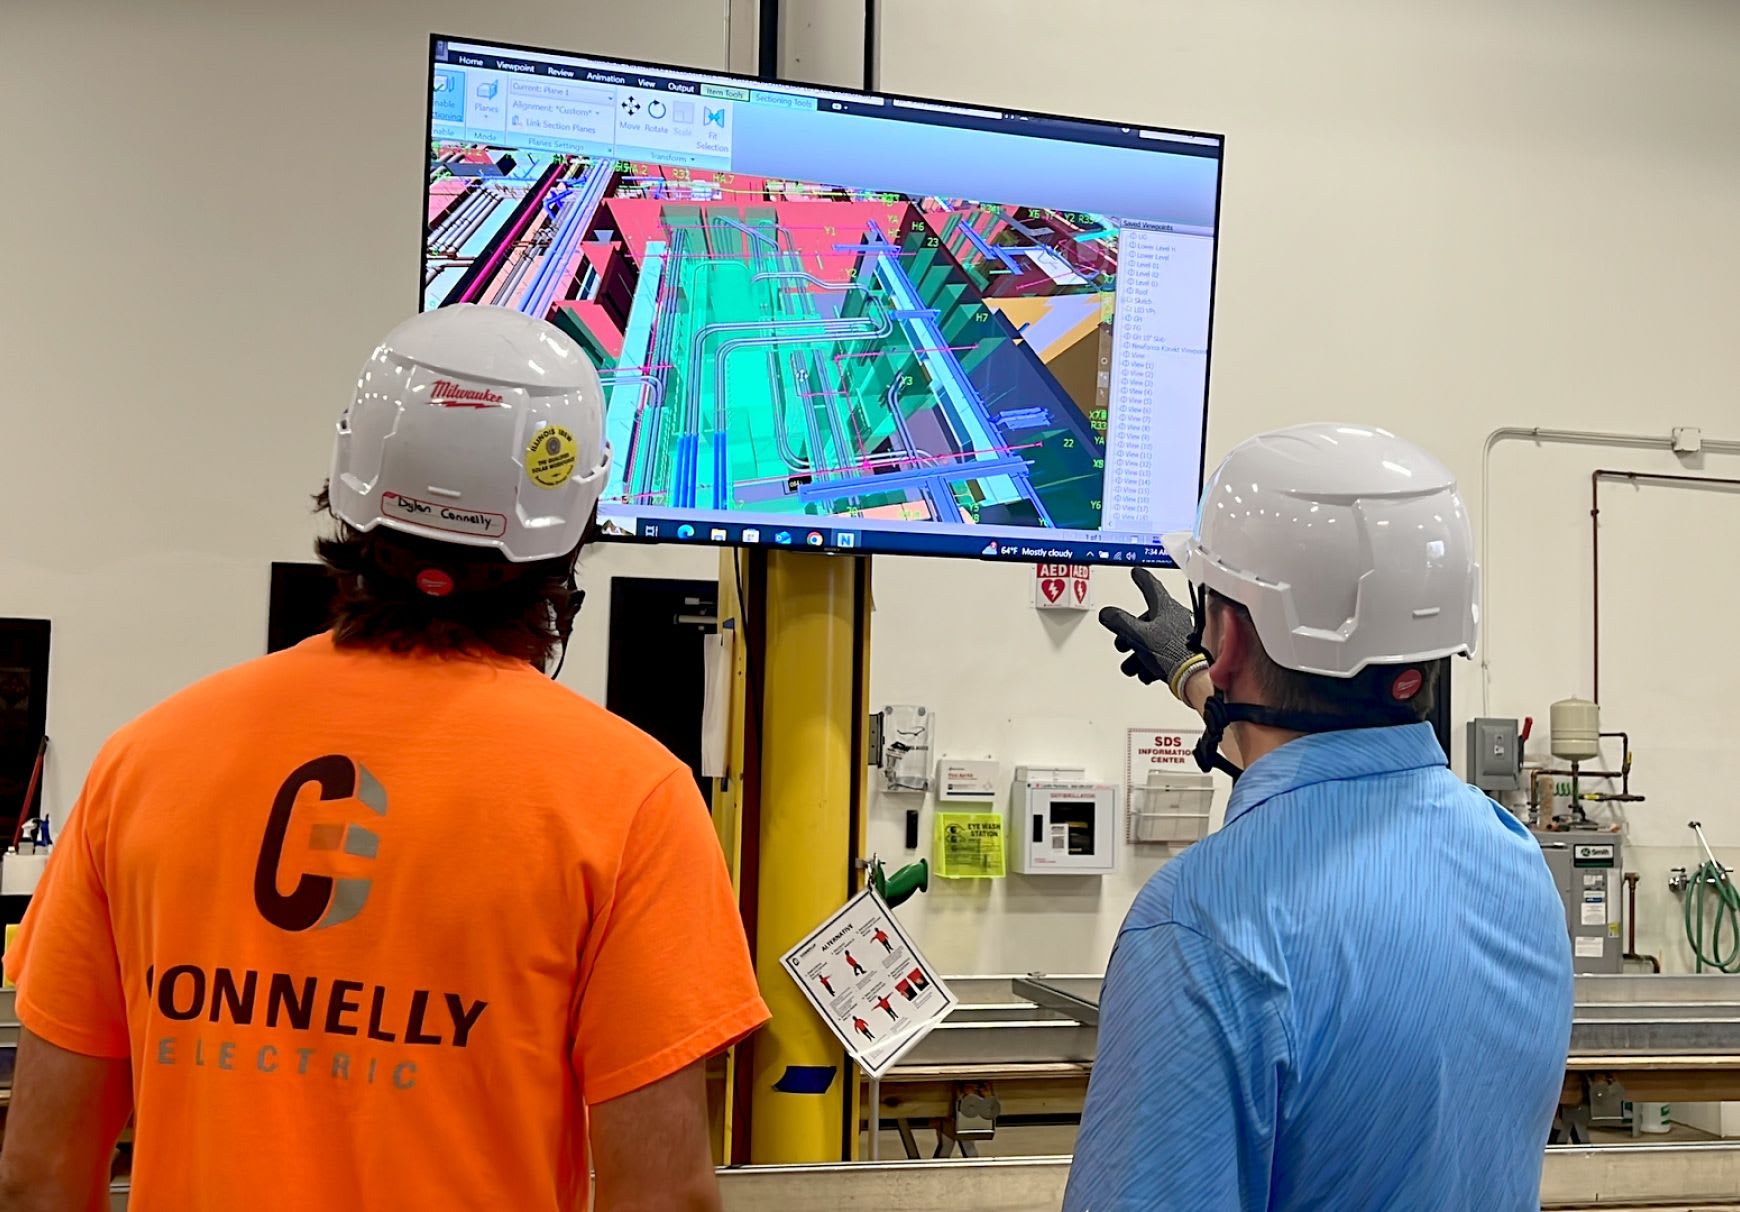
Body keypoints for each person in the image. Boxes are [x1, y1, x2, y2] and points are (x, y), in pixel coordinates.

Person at [0, 305, 769, 1212]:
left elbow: (39, 1174)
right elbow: (661, 1195)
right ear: (574, 522)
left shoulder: (144, 761)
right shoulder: (631, 799)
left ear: (349, 488)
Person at [1067, 423, 1572, 1211]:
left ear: (1228, 634)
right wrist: (1201, 678)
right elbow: (1323, 759)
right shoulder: (1515, 864)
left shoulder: (1202, 926)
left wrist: (1212, 674)